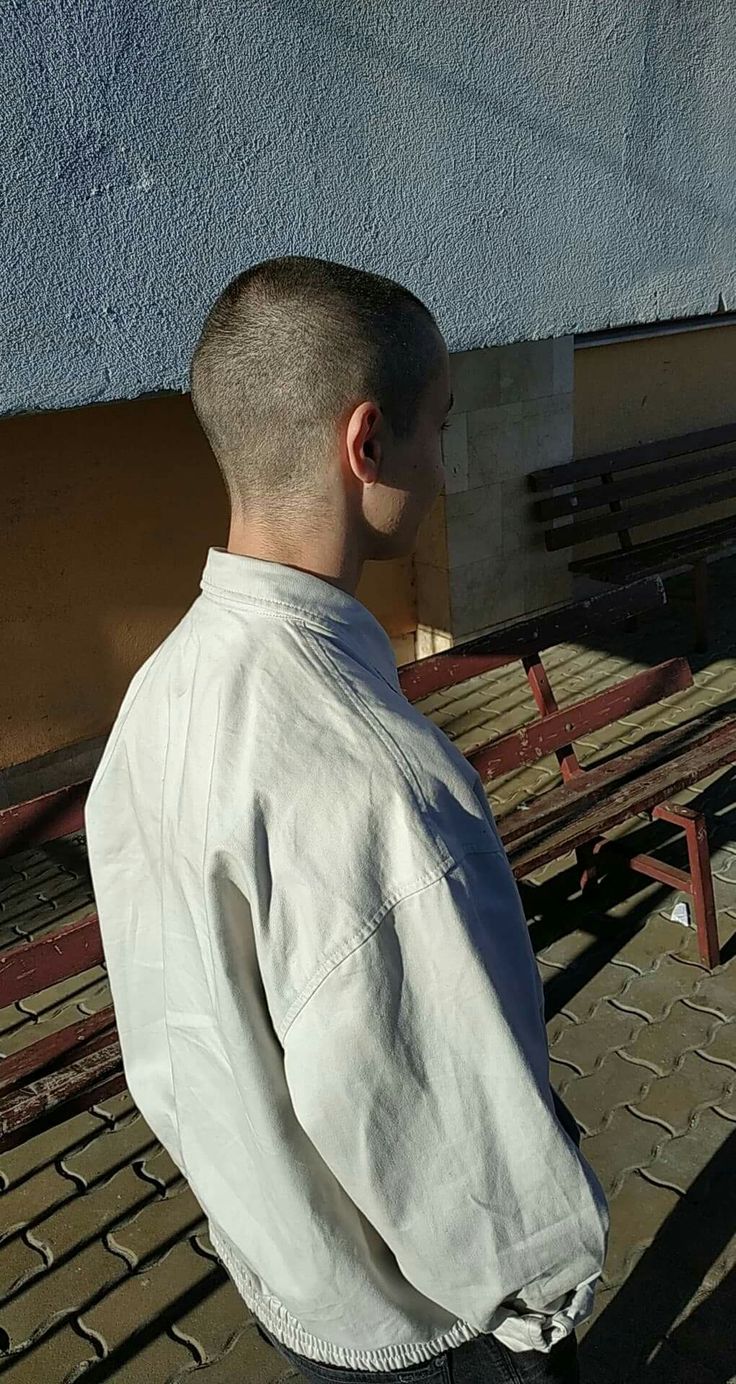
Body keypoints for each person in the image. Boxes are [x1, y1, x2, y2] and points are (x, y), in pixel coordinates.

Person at [85, 256, 608, 1384]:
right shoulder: (380, 784)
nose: (442, 463)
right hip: (420, 1325)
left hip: (283, 1269)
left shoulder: (159, 692)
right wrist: (539, 1310)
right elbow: (462, 1151)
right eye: (437, 428)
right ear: (366, 445)